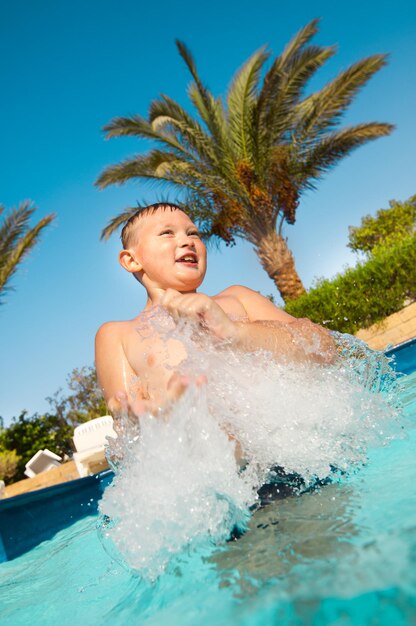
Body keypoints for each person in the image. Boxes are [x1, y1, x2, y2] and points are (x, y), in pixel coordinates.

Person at [95, 202, 334, 422]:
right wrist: (161, 410)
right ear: (131, 260)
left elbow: (325, 346)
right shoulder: (119, 334)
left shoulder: (237, 298)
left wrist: (235, 333)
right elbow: (124, 412)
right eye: (167, 233)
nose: (187, 241)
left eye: (193, 233)